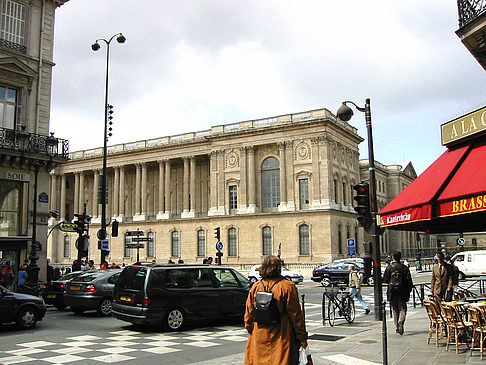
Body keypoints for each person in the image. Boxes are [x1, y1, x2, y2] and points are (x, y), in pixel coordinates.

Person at [244, 255, 308, 364]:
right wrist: (301, 336)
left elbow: (249, 313)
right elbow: (296, 315)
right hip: (282, 334)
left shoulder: (256, 286)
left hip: (260, 332)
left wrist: (251, 329)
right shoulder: (287, 286)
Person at [383, 251, 414, 335]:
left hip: (392, 291)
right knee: (403, 308)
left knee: (395, 310)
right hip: (402, 290)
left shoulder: (389, 267)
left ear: (393, 257)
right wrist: (409, 290)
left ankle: (397, 327)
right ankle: (401, 321)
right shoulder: (404, 268)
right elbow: (409, 281)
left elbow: (385, 280)